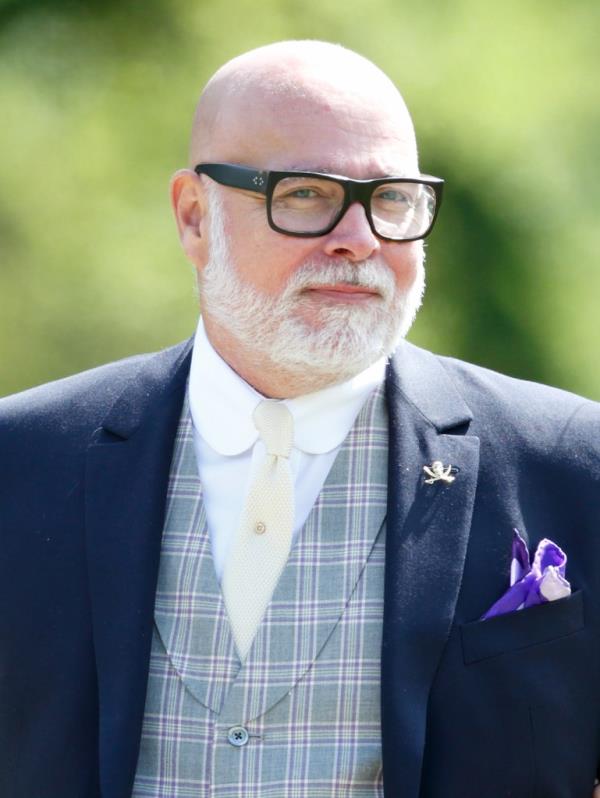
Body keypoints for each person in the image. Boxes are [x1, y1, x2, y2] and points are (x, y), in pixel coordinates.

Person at [0, 40, 599, 798]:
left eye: (392, 199)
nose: (360, 238)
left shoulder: (574, 461)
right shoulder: (20, 460)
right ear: (194, 216)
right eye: (306, 194)